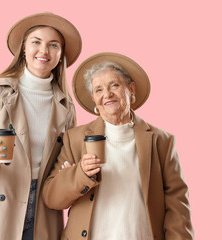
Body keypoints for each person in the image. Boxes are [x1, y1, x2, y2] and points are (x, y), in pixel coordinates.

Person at [42, 52, 194, 240]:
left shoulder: (161, 141)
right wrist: (80, 173)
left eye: (114, 85)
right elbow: (51, 198)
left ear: (131, 89)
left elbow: (177, 206)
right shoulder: (75, 139)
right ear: (94, 100)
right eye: (98, 90)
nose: (107, 94)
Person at [0, 12, 82, 240]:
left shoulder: (66, 104)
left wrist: (69, 171)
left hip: (45, 205)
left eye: (53, 45)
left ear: (61, 55)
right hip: (2, 200)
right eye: (36, 42)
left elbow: (67, 157)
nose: (44, 51)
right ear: (24, 48)